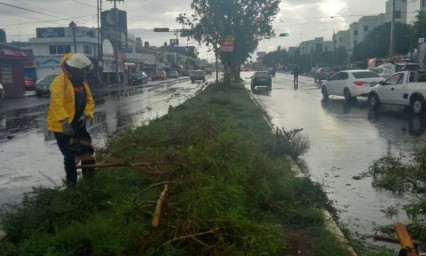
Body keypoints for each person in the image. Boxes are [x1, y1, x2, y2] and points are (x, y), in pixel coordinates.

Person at [47, 53, 96, 186]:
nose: (85, 75)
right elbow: (57, 103)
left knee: (87, 150)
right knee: (71, 155)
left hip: (78, 125)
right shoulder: (59, 82)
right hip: (63, 127)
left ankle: (90, 182)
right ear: (75, 70)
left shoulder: (82, 82)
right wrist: (64, 123)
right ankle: (72, 186)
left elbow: (90, 101)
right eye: (84, 72)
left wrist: (86, 114)